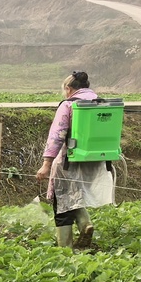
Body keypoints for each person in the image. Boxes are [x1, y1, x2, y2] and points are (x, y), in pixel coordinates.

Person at [35, 70, 113, 250]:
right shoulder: (101, 103)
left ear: (69, 89)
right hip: (96, 161)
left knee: (62, 199)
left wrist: (46, 164)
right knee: (75, 194)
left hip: (70, 160)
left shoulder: (69, 105)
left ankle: (66, 248)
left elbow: (57, 135)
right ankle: (85, 224)